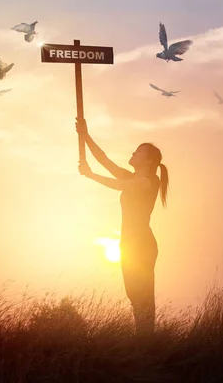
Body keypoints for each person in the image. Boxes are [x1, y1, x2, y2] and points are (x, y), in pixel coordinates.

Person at [75, 117, 169, 336]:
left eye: (138, 152)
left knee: (142, 297)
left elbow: (118, 185)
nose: (133, 154)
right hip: (128, 243)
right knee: (135, 296)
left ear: (148, 160)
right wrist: (85, 134)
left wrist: (90, 175)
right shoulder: (134, 176)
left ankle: (146, 343)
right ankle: (144, 341)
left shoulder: (149, 181)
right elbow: (104, 160)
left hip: (141, 244)